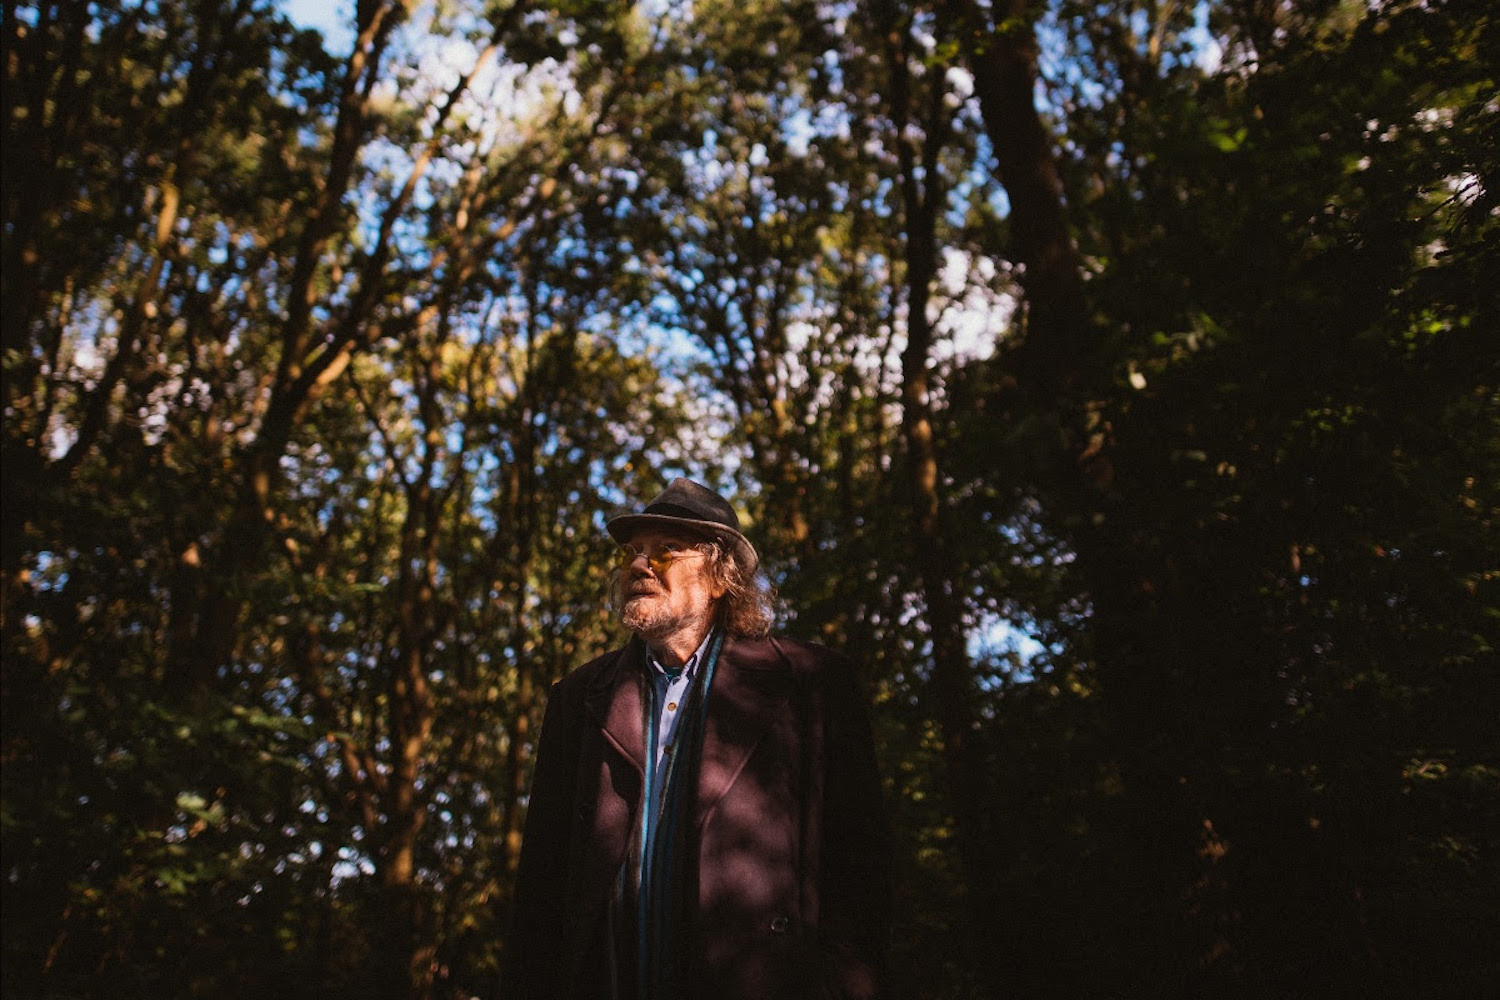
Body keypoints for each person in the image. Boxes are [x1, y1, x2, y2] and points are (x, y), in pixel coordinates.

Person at [504, 478, 890, 1000]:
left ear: (719, 577)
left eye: (666, 550)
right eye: (632, 553)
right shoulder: (578, 698)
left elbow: (860, 870)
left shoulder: (810, 684)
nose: (640, 565)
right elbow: (541, 885)